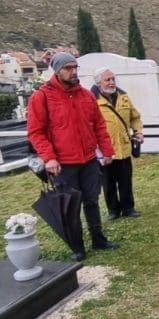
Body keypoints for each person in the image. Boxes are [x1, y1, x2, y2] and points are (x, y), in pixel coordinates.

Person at [27, 52, 117, 261]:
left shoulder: (86, 95)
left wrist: (107, 150)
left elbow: (99, 125)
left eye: (75, 67)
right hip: (63, 163)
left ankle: (98, 238)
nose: (73, 71)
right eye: (68, 68)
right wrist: (49, 158)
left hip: (88, 159)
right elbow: (36, 131)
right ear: (57, 71)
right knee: (70, 205)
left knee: (92, 200)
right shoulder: (42, 97)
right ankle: (77, 246)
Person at [91, 67, 143, 219]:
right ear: (98, 83)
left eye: (113, 79)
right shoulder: (91, 100)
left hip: (124, 147)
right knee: (108, 182)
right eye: (107, 80)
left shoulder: (123, 96)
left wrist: (138, 131)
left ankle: (128, 208)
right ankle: (113, 210)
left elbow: (135, 117)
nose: (112, 82)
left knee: (126, 180)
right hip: (104, 150)